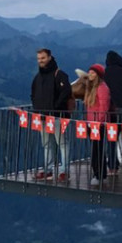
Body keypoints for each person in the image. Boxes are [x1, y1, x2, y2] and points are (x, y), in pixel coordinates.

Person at [31, 48, 72, 182]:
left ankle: (64, 171)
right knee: (47, 144)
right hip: (42, 116)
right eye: (38, 59)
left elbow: (66, 92)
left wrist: (55, 107)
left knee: (62, 143)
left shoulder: (59, 75)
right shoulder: (37, 77)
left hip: (57, 116)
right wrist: (37, 108)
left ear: (49, 57)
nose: (40, 61)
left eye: (42, 58)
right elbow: (33, 94)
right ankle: (48, 169)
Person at [84, 64, 112, 186]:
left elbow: (104, 107)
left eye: (93, 73)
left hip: (98, 124)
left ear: (98, 75)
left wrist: (98, 122)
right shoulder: (91, 88)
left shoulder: (102, 88)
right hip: (91, 123)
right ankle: (98, 172)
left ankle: (99, 174)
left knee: (98, 150)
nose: (90, 74)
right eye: (89, 72)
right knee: (95, 149)